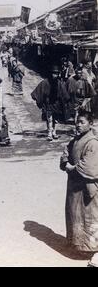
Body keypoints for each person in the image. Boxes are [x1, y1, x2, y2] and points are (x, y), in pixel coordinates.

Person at [60, 111, 98, 267]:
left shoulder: (93, 143)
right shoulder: (74, 140)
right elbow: (65, 154)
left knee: (90, 217)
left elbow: (90, 166)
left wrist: (71, 168)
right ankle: (77, 245)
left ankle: (94, 250)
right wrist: (65, 161)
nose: (78, 124)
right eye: (77, 122)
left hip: (87, 187)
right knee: (75, 214)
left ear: (90, 124)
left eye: (82, 122)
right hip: (74, 187)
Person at [31, 65, 70, 141]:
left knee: (55, 119)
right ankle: (49, 133)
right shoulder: (45, 82)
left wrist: (66, 101)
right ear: (50, 73)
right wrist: (40, 100)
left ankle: (54, 132)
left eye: (56, 73)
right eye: (53, 73)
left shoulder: (59, 83)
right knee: (49, 119)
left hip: (56, 104)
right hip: (48, 104)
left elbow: (64, 94)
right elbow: (37, 91)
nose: (54, 75)